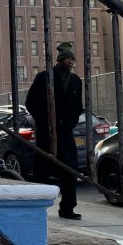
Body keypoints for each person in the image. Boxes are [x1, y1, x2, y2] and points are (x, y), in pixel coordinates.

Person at [25, 41, 83, 220]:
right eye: (67, 58)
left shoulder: (76, 81)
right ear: (59, 60)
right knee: (41, 171)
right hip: (46, 132)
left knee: (70, 170)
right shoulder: (44, 77)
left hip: (65, 133)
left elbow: (77, 107)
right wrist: (44, 122)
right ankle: (37, 209)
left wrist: (69, 123)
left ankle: (67, 207)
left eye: (72, 58)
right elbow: (30, 103)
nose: (71, 62)